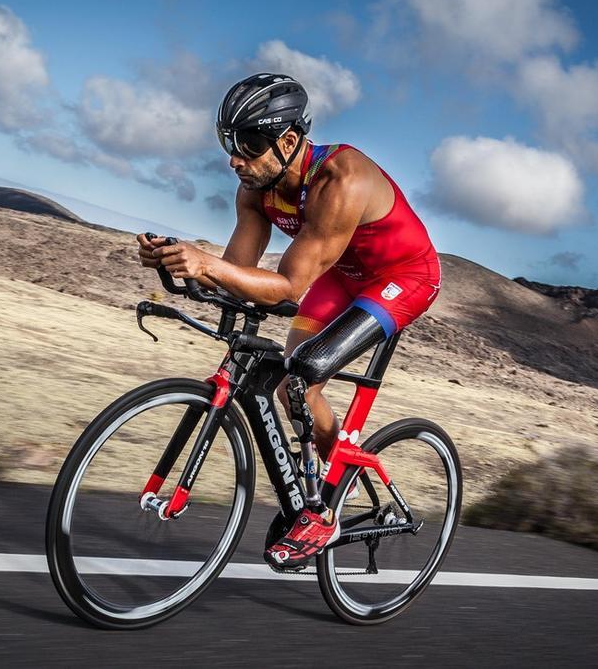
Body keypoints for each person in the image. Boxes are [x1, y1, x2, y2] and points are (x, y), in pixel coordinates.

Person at [137, 73, 441, 570]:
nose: (235, 158)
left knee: (303, 373)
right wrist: (178, 262)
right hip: (342, 274)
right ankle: (320, 485)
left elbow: (289, 287)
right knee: (289, 381)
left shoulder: (342, 181)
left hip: (403, 277)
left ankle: (322, 513)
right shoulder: (255, 188)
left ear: (290, 140)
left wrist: (209, 263)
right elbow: (242, 274)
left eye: (249, 144)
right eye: (228, 143)